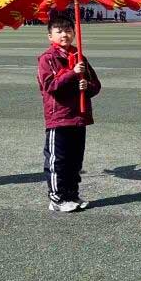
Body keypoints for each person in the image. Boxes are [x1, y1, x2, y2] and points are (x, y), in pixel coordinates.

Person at [37, 12, 102, 213]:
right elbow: (51, 86)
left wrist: (86, 85)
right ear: (50, 37)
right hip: (59, 118)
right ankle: (57, 198)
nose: (64, 34)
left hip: (78, 117)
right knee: (58, 160)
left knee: (75, 161)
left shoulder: (79, 56)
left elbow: (96, 85)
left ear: (74, 33)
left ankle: (71, 194)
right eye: (59, 31)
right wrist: (72, 74)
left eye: (68, 30)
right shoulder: (47, 59)